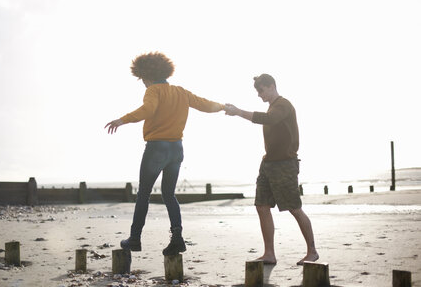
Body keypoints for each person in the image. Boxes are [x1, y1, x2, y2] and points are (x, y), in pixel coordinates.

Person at [105, 52, 224, 256]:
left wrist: (121, 120)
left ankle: (134, 238)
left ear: (146, 75)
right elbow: (204, 104)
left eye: (142, 79)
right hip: (177, 149)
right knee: (169, 195)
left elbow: (148, 110)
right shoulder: (181, 92)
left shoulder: (153, 91)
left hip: (157, 148)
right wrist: (224, 107)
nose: (142, 83)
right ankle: (177, 238)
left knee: (144, 193)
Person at [224, 74, 319, 265]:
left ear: (272, 86)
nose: (259, 95)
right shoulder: (272, 106)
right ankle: (269, 253)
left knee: (294, 208)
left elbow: (269, 119)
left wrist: (238, 112)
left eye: (261, 90)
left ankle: (312, 251)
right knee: (262, 206)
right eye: (257, 91)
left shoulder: (283, 105)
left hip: (285, 164)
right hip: (268, 164)